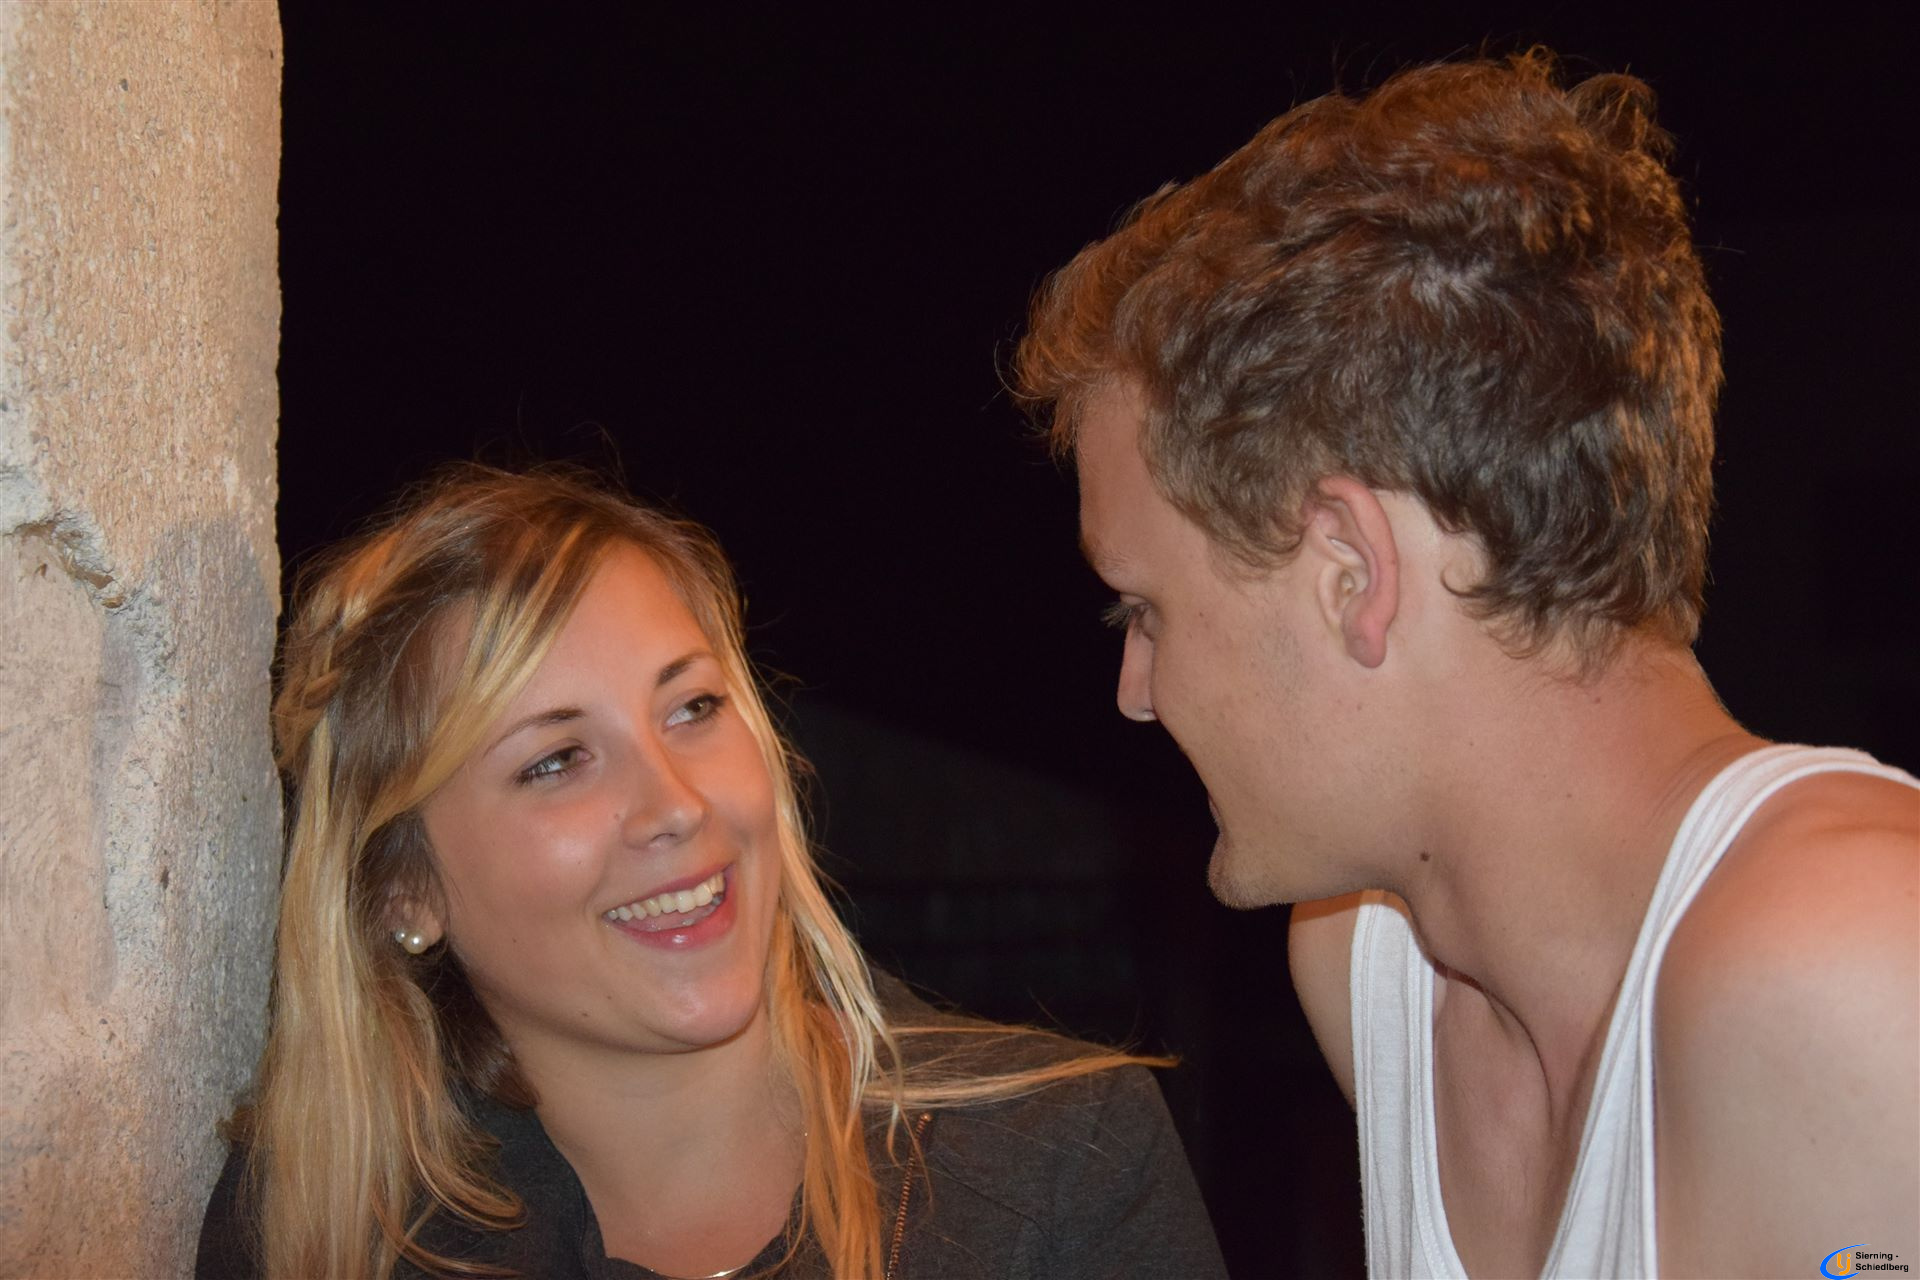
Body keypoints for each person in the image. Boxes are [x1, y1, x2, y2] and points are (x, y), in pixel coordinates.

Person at [1016, 48, 1918, 1280]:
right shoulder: (1368, 967)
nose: (1136, 689)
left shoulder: (1855, 967)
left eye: (1146, 608)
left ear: (1349, 569)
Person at [195, 465, 1225, 1279]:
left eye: (692, 707)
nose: (678, 805)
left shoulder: (1058, 1168)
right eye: (557, 760)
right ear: (402, 890)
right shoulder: (320, 1228)